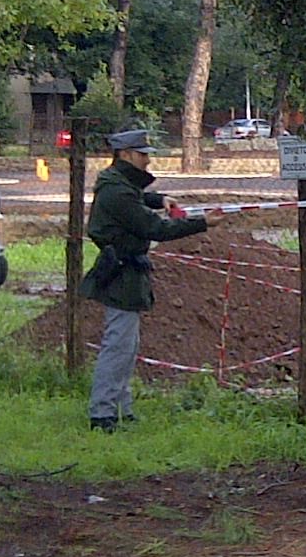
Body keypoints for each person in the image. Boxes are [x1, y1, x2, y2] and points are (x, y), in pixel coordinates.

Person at [78, 126, 208, 431]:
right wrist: (203, 223)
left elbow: (137, 200)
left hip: (127, 270)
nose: (147, 161)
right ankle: (102, 414)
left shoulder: (118, 184)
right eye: (142, 155)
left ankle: (120, 408)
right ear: (125, 155)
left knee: (127, 345)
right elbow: (154, 228)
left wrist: (159, 199)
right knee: (118, 346)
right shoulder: (116, 190)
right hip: (122, 271)